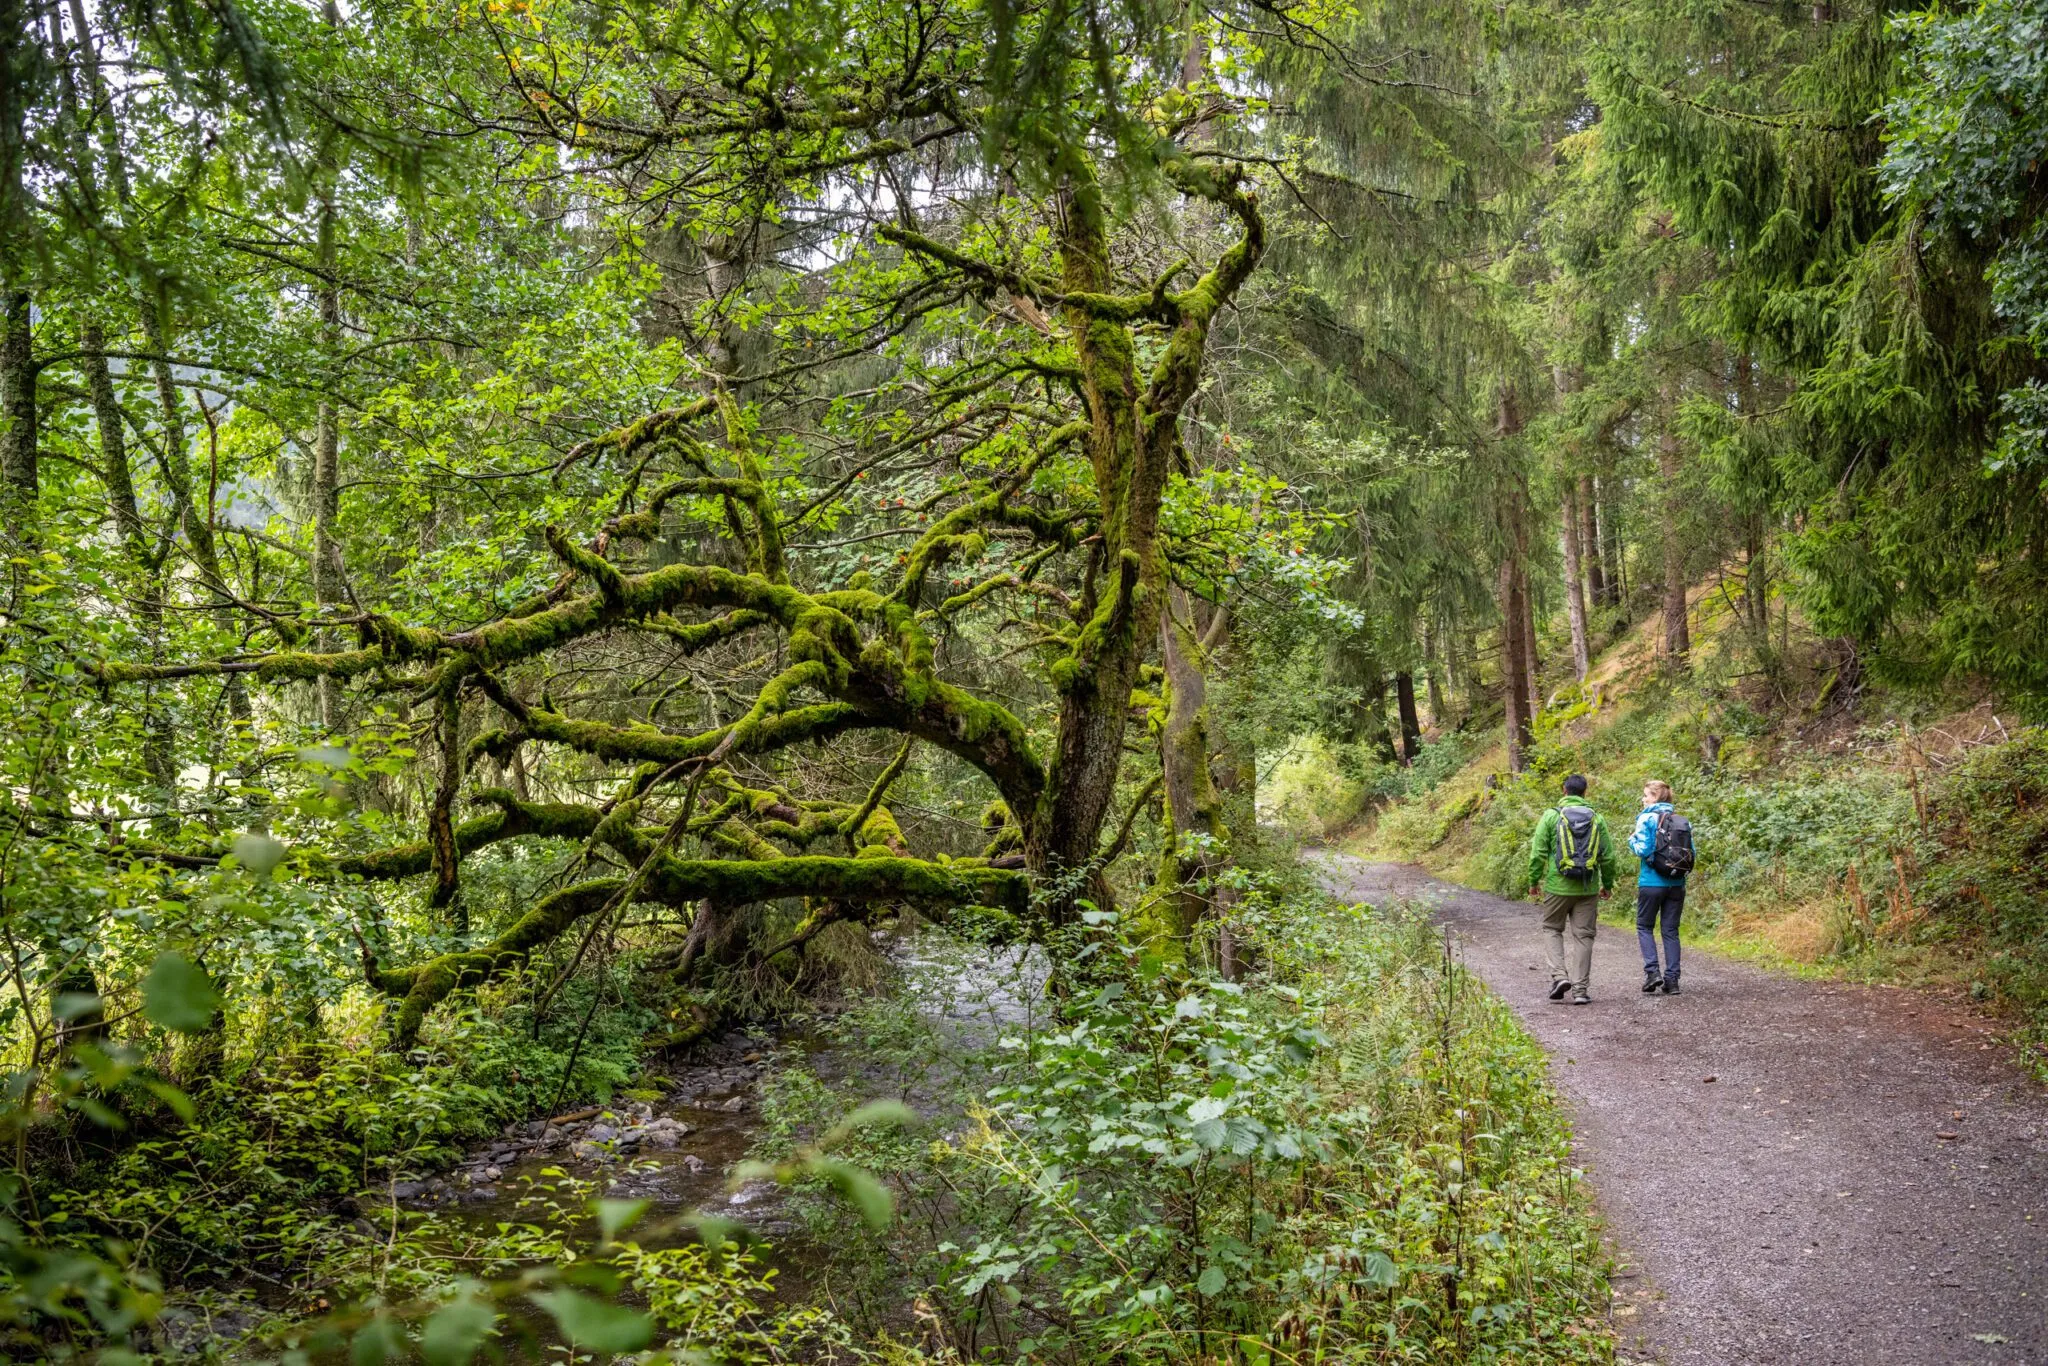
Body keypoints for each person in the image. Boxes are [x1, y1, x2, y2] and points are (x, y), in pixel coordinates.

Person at [1527, 773, 1618, 1005]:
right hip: (1587, 888)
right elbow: (1608, 857)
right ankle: (1580, 990)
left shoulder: (1551, 816)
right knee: (1584, 936)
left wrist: (1533, 881)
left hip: (1557, 886)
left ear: (1563, 790)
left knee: (1551, 928)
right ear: (1585, 793)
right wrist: (1607, 885)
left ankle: (1559, 976)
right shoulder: (1597, 818)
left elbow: (1537, 853)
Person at [1629, 779, 1695, 995]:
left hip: (1651, 882)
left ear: (1655, 797)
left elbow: (1643, 849)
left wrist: (1631, 841)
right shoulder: (1681, 821)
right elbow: (1691, 852)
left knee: (1644, 926)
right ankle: (1672, 980)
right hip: (1677, 883)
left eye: (1646, 795)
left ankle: (1652, 973)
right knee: (1670, 930)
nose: (1643, 798)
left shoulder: (1647, 818)